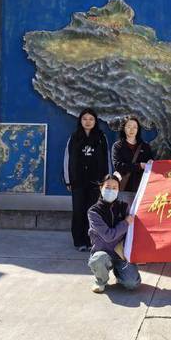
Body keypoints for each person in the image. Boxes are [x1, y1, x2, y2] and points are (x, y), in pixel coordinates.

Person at [63, 108, 109, 252]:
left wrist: (107, 180)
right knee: (78, 211)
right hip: (78, 181)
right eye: (85, 119)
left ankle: (92, 241)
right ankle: (79, 241)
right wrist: (68, 180)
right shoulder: (74, 137)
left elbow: (107, 159)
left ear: (95, 121)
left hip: (96, 182)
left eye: (91, 119)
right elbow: (67, 159)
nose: (88, 122)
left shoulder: (101, 137)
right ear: (80, 121)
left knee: (93, 211)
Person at [87, 173, 141, 292]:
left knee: (132, 283)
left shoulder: (124, 207)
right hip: (102, 253)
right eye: (107, 187)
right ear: (101, 188)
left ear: (118, 190)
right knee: (98, 260)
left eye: (114, 188)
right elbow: (108, 236)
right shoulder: (93, 212)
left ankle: (120, 274)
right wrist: (125, 223)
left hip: (120, 254)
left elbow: (133, 231)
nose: (111, 190)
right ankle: (100, 280)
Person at [111, 116, 154, 197]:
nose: (132, 130)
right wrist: (139, 166)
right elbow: (118, 165)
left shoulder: (145, 146)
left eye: (135, 127)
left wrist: (150, 162)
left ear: (138, 129)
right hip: (124, 186)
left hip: (141, 187)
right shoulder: (117, 146)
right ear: (124, 128)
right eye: (129, 127)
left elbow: (151, 163)